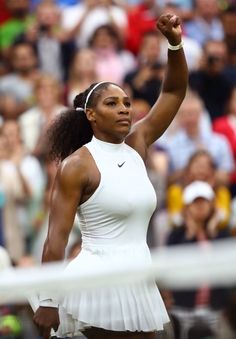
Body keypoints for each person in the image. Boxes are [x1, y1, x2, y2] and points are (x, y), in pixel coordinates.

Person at [33, 13, 188, 339]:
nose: (124, 109)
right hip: (97, 282)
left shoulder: (137, 144)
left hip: (139, 276)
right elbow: (56, 238)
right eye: (112, 103)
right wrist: (47, 299)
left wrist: (174, 44)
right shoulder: (77, 165)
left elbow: (173, 93)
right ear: (91, 114)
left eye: (127, 103)